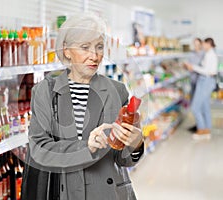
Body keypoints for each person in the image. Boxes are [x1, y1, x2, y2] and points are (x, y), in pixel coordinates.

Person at [22, 14, 144, 200]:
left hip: (108, 193)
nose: (94, 56)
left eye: (99, 47)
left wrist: (135, 144)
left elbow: (123, 159)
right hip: (64, 192)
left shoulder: (117, 91)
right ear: (67, 50)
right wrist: (85, 147)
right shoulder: (45, 92)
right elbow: (39, 149)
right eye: (85, 47)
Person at [184, 38, 218, 139]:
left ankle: (201, 130)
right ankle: (207, 129)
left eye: (203, 44)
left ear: (208, 44)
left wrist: (193, 67)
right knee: (204, 106)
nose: (202, 46)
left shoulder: (209, 55)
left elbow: (206, 70)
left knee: (195, 107)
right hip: (206, 80)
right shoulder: (209, 54)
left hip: (205, 81)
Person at [187, 38, 204, 132]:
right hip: (193, 81)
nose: (196, 46)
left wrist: (193, 67)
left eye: (197, 44)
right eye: (194, 44)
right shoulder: (192, 54)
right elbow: (189, 66)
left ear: (201, 44)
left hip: (200, 83)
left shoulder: (203, 54)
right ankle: (198, 125)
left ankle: (201, 127)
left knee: (197, 106)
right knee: (194, 103)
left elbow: (204, 68)